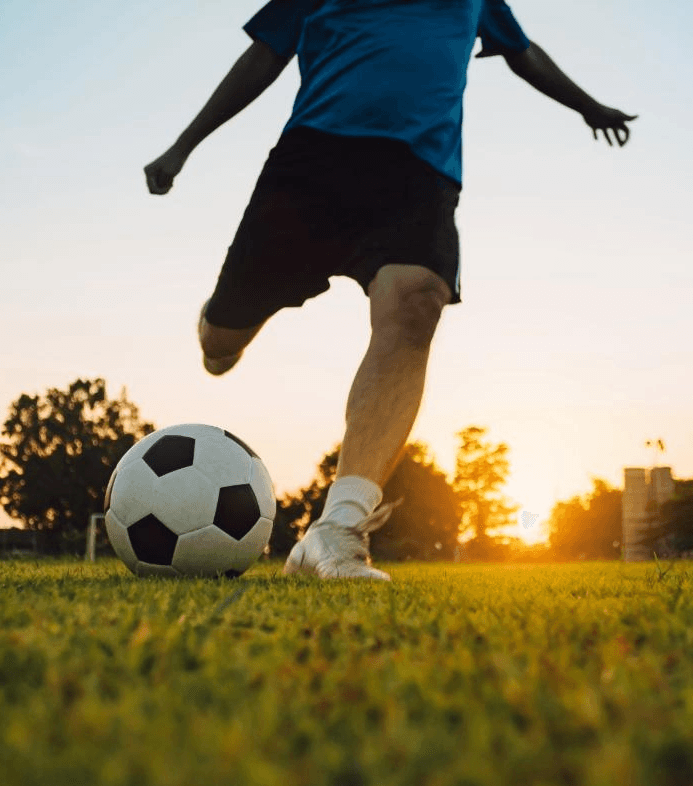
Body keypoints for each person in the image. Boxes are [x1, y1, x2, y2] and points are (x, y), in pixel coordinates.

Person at [144, 0, 636, 581]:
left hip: (418, 171)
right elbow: (263, 56)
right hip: (313, 162)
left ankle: (337, 531)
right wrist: (182, 146)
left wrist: (588, 106)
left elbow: (522, 52)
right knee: (220, 345)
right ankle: (221, 324)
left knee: (416, 302)